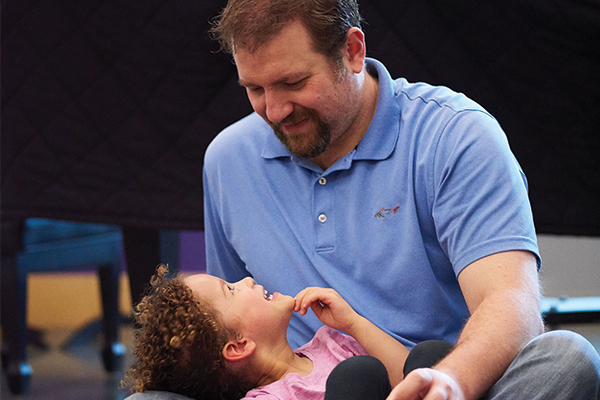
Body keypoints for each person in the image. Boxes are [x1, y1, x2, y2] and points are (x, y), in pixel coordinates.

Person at [203, 1, 600, 399]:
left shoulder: (455, 135)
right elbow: (225, 334)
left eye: (293, 83)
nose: (273, 111)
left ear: (353, 51)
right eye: (254, 89)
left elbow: (511, 304)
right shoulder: (227, 160)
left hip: (449, 381)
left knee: (567, 357)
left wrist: (450, 382)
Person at [126, 264, 444, 399]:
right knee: (357, 375)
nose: (246, 281)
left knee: (431, 357)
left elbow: (410, 380)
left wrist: (354, 324)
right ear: (238, 345)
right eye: (231, 290)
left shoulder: (330, 343)